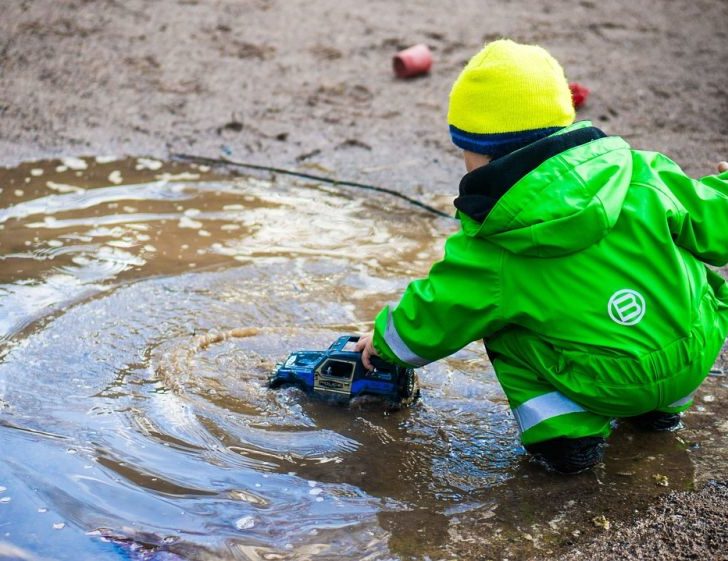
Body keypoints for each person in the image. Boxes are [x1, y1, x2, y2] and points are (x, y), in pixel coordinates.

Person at [355, 39, 728, 473]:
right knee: (680, 274)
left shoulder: (493, 242)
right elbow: (715, 223)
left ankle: (566, 439)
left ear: (475, 151)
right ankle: (658, 415)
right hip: (693, 353)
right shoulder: (642, 173)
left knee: (497, 322)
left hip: (603, 382)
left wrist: (383, 345)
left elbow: (439, 310)